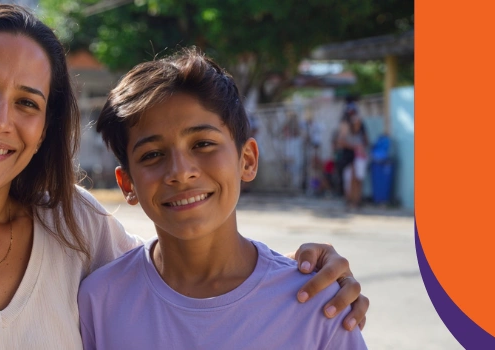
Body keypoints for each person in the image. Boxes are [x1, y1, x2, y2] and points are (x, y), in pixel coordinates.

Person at [0, 4, 367, 349]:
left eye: (28, 102)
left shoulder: (73, 227)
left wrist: (313, 271)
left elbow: (191, 269)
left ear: (46, 127)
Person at [82, 48, 367, 350]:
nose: (180, 172)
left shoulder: (318, 301)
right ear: (128, 184)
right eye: (152, 154)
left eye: (203, 143)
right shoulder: (100, 301)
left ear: (247, 160)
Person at [335, 102, 369, 210]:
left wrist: (361, 147)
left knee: (358, 179)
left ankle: (356, 201)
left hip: (359, 156)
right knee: (350, 180)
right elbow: (340, 142)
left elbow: (366, 140)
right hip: (348, 156)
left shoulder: (361, 126)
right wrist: (355, 147)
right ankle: (350, 201)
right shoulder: (345, 126)